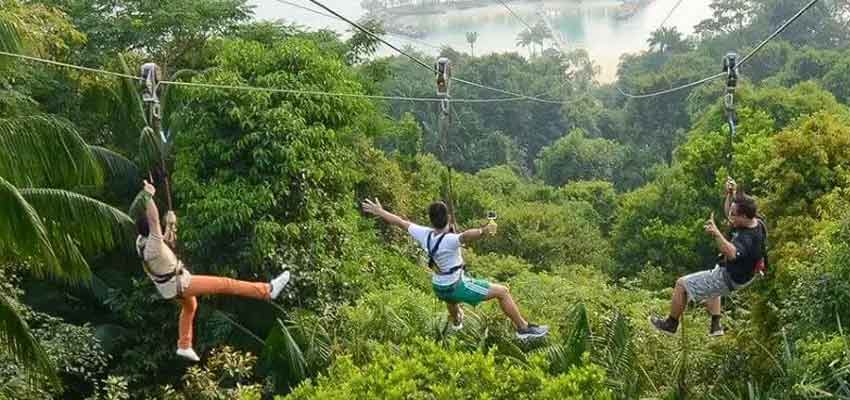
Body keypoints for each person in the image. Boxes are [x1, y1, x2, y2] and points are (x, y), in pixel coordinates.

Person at [135, 180, 292, 361]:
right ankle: (267, 291)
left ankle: (184, 345)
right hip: (181, 283)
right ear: (151, 231)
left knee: (190, 306)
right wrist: (148, 196)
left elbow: (160, 238)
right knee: (226, 284)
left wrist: (169, 226)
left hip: (169, 288)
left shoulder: (141, 242)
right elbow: (153, 220)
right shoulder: (153, 242)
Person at [361, 198, 548, 340]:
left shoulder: (423, 234)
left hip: (439, 288)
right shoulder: (451, 240)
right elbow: (466, 236)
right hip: (456, 285)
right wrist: (484, 230)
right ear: (448, 218)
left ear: (431, 220)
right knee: (503, 292)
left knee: (451, 298)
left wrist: (380, 211)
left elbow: (400, 221)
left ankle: (457, 320)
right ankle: (523, 329)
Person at [650, 177, 767, 337]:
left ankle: (671, 324)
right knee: (713, 280)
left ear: (745, 216)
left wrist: (716, 233)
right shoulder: (756, 222)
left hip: (731, 277)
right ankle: (716, 325)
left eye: (734, 215)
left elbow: (732, 253)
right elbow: (730, 212)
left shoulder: (747, 238)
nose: (730, 218)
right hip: (745, 274)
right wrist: (730, 194)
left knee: (681, 285)